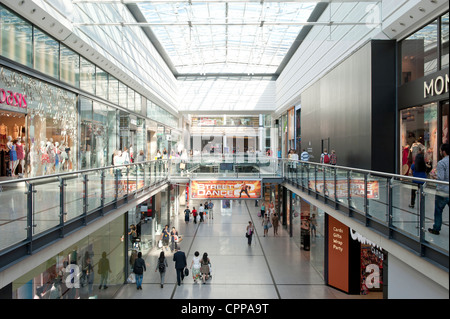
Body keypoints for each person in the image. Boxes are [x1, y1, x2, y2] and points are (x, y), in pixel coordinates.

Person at [428, 144, 449, 235]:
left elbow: (441, 178)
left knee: (438, 210)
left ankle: (436, 228)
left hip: (443, 191)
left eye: (440, 150)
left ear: (443, 152)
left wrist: (433, 176)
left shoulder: (442, 163)